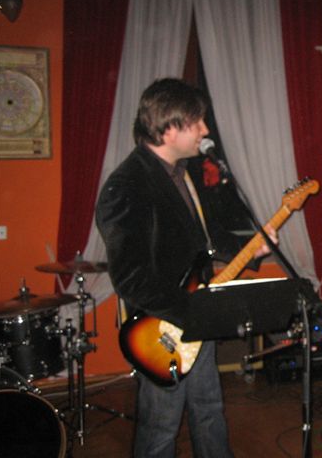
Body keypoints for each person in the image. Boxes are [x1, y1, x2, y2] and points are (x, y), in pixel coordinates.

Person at [96, 78, 274, 457]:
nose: (205, 130)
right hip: (161, 329)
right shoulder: (126, 185)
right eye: (197, 121)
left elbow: (204, 238)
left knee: (209, 411)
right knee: (161, 428)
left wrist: (252, 248)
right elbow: (130, 278)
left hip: (196, 314)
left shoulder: (183, 173)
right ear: (169, 128)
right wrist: (186, 315)